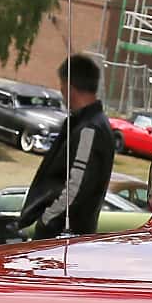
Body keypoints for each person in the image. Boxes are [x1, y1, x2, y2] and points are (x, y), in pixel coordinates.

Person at [18, 53, 116, 239]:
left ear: (69, 87)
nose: (61, 90)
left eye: (62, 85)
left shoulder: (89, 130)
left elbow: (75, 188)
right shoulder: (85, 124)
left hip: (61, 238)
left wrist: (46, 221)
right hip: (64, 236)